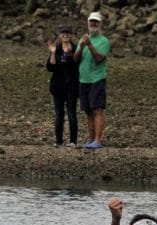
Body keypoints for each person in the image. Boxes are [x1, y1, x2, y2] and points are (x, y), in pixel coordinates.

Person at [74, 11, 110, 150]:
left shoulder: (104, 41)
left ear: (100, 24)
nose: (93, 24)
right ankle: (90, 140)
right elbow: (75, 59)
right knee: (88, 110)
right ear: (88, 23)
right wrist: (82, 46)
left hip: (97, 79)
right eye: (91, 22)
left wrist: (89, 45)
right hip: (84, 80)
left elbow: (99, 58)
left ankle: (98, 140)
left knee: (97, 109)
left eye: (96, 22)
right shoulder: (82, 40)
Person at [46, 24, 80, 148]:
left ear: (71, 35)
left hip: (71, 87)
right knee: (59, 114)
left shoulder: (76, 49)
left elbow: (78, 66)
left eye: (68, 33)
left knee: (72, 114)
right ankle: (58, 140)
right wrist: (53, 53)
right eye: (63, 33)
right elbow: (50, 67)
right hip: (58, 87)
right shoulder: (57, 48)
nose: (65, 35)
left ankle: (73, 141)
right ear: (60, 35)